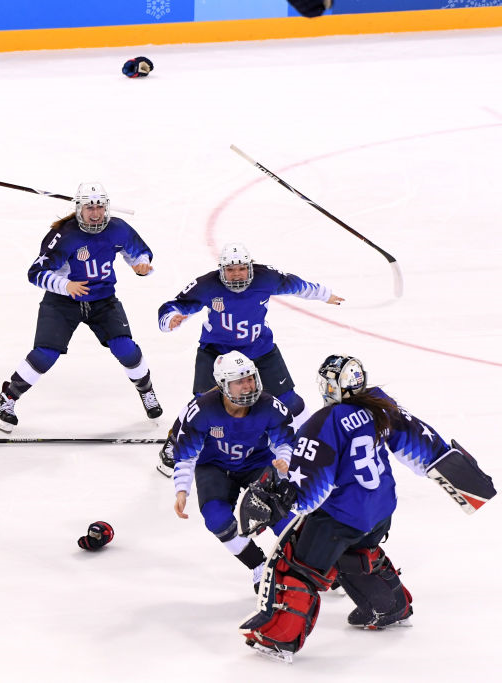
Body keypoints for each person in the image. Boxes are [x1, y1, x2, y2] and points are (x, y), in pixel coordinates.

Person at [237, 354, 488, 662]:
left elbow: (310, 492)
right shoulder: (378, 405)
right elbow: (420, 441)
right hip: (381, 509)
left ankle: (279, 639)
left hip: (342, 516)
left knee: (298, 565)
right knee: (354, 552)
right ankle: (390, 607)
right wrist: (455, 470)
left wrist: (281, 497)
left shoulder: (324, 422)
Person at [0, 182, 161, 433]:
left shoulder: (118, 229)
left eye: (100, 207)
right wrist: (65, 285)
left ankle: (146, 391)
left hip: (102, 300)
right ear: (79, 208)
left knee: (125, 347)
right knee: (45, 353)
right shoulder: (64, 236)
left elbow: (139, 252)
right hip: (62, 302)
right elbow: (35, 273)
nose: (95, 213)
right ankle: (6, 402)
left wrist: (141, 264)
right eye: (90, 207)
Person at [156, 242, 343, 472]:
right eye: (230, 270)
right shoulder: (207, 285)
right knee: (202, 402)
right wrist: (171, 318)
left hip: (259, 350)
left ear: (251, 268)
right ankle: (174, 442)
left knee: (289, 399)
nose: (236, 275)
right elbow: (173, 305)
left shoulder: (266, 277)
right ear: (221, 270)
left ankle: (317, 440)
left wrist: (325, 295)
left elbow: (297, 285)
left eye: (241, 269)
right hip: (217, 352)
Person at [170, 352, 295, 590]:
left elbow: (286, 442)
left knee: (282, 517)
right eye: (239, 381)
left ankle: (309, 565)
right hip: (215, 467)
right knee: (216, 518)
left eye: (250, 378)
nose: (248, 386)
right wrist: (182, 490)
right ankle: (259, 566)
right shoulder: (201, 410)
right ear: (222, 385)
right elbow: (186, 456)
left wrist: (284, 461)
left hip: (256, 462)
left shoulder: (270, 406)